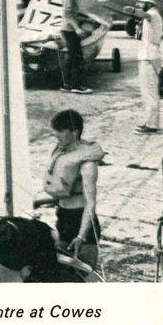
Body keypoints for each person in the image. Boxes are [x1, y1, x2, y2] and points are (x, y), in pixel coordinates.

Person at [38, 109, 104, 268]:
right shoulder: (61, 150)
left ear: (74, 132)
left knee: (87, 273)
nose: (56, 135)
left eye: (60, 131)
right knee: (61, 271)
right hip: (63, 218)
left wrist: (81, 237)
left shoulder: (88, 163)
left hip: (81, 221)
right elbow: (65, 192)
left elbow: (90, 203)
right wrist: (38, 202)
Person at [123, 0, 163, 133]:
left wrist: (134, 11)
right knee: (147, 92)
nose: (138, 5)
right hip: (147, 56)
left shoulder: (153, 14)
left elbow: (146, 15)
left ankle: (152, 125)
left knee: (150, 92)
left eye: (140, 3)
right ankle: (149, 121)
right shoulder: (151, 15)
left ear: (149, 3)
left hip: (149, 57)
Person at [59, 0, 92, 94]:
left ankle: (67, 84)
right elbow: (67, 14)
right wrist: (77, 28)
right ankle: (75, 85)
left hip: (69, 28)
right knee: (76, 58)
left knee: (73, 56)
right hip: (69, 30)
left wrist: (84, 20)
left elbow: (72, 14)